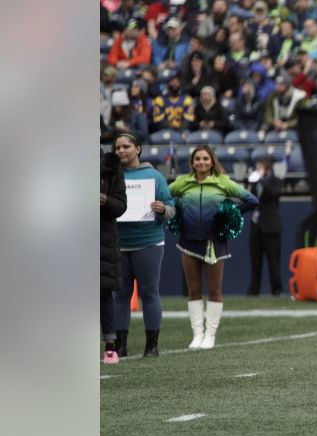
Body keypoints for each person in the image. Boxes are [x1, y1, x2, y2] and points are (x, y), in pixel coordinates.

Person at [169, 145, 258, 350]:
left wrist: (230, 212)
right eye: (197, 159)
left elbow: (252, 200)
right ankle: (197, 334)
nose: (201, 162)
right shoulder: (183, 182)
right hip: (188, 241)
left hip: (214, 242)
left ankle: (210, 335)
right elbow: (163, 194)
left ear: (212, 161)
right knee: (193, 289)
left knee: (214, 290)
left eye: (205, 159)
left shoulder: (222, 182)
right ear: (192, 162)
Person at [111, 133, 175, 358]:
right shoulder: (109, 176)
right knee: (120, 295)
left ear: (138, 149)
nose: (121, 151)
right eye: (117, 147)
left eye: (126, 146)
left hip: (148, 243)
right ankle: (120, 346)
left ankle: (152, 345)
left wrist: (162, 209)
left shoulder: (154, 176)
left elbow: (171, 207)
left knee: (149, 293)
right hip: (118, 243)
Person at [100, 149, 127, 364]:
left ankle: (110, 346)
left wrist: (105, 201)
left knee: (104, 291)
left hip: (103, 236)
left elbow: (120, 205)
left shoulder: (111, 164)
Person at [246, 157, 283, 297]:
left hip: (271, 227)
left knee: (273, 261)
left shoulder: (276, 181)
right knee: (255, 261)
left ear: (267, 168)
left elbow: (274, 192)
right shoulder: (255, 183)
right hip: (256, 227)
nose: (257, 170)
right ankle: (253, 289)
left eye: (259, 167)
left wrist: (263, 179)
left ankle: (277, 289)